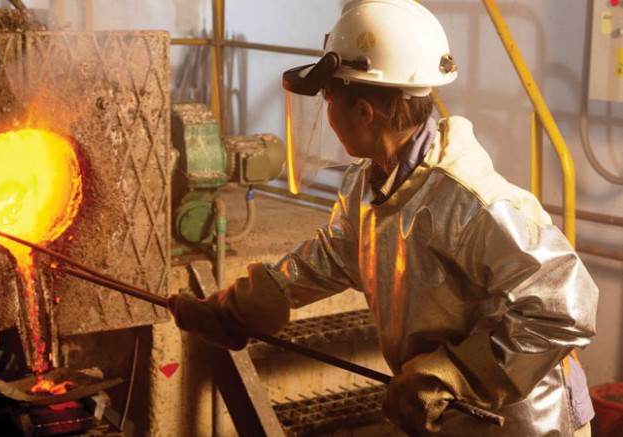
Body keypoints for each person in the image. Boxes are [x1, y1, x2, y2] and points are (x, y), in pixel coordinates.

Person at [168, 0, 599, 435]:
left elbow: (564, 309)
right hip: (451, 416)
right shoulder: (371, 183)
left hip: (521, 421)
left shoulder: (468, 199)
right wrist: (236, 308)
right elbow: (332, 256)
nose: (326, 115)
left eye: (329, 99)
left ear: (363, 112)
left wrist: (447, 374)